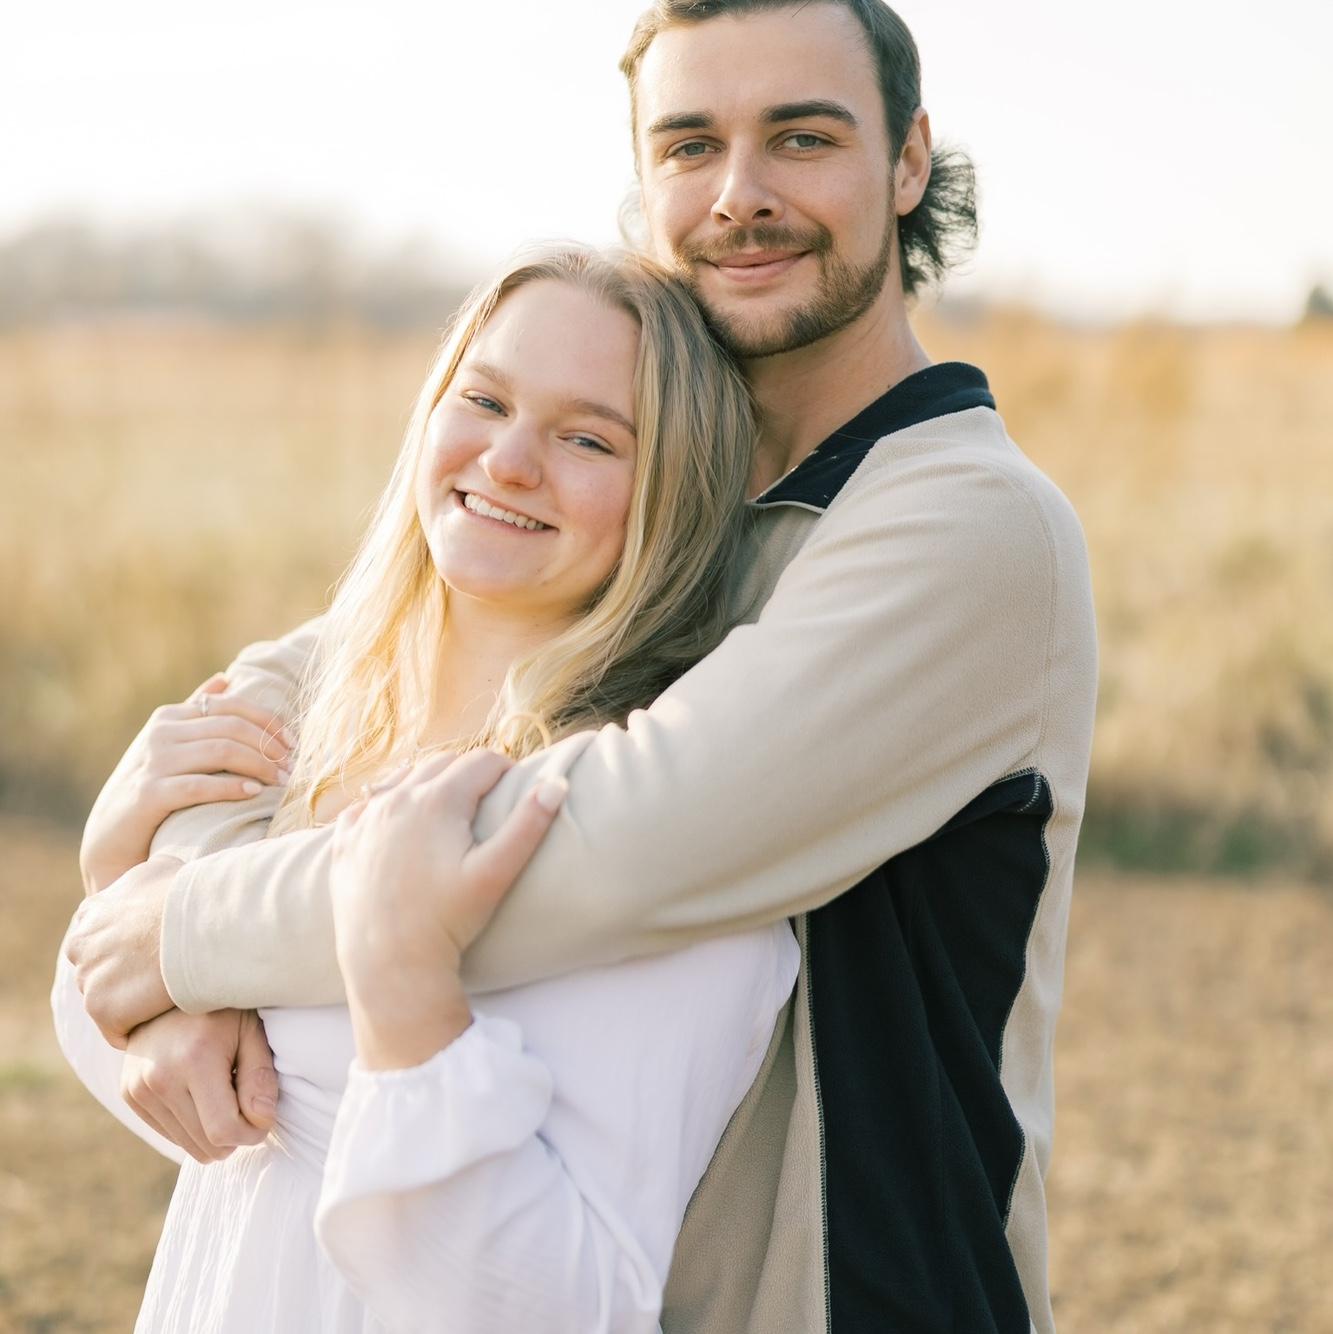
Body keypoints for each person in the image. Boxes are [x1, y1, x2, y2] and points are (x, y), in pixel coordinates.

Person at [65, 2, 1099, 1330]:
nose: (739, 194)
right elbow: (342, 665)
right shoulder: (663, 485)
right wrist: (152, 873)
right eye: (687, 145)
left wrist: (178, 933)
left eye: (799, 137)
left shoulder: (958, 524)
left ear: (906, 162)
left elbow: (596, 844)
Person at [55, 246, 798, 1331]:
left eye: (587, 436)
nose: (506, 459)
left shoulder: (641, 849)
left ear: (670, 500)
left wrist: (411, 1004)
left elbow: (569, 1303)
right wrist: (145, 967)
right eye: (484, 398)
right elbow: (218, 1123)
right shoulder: (307, 726)